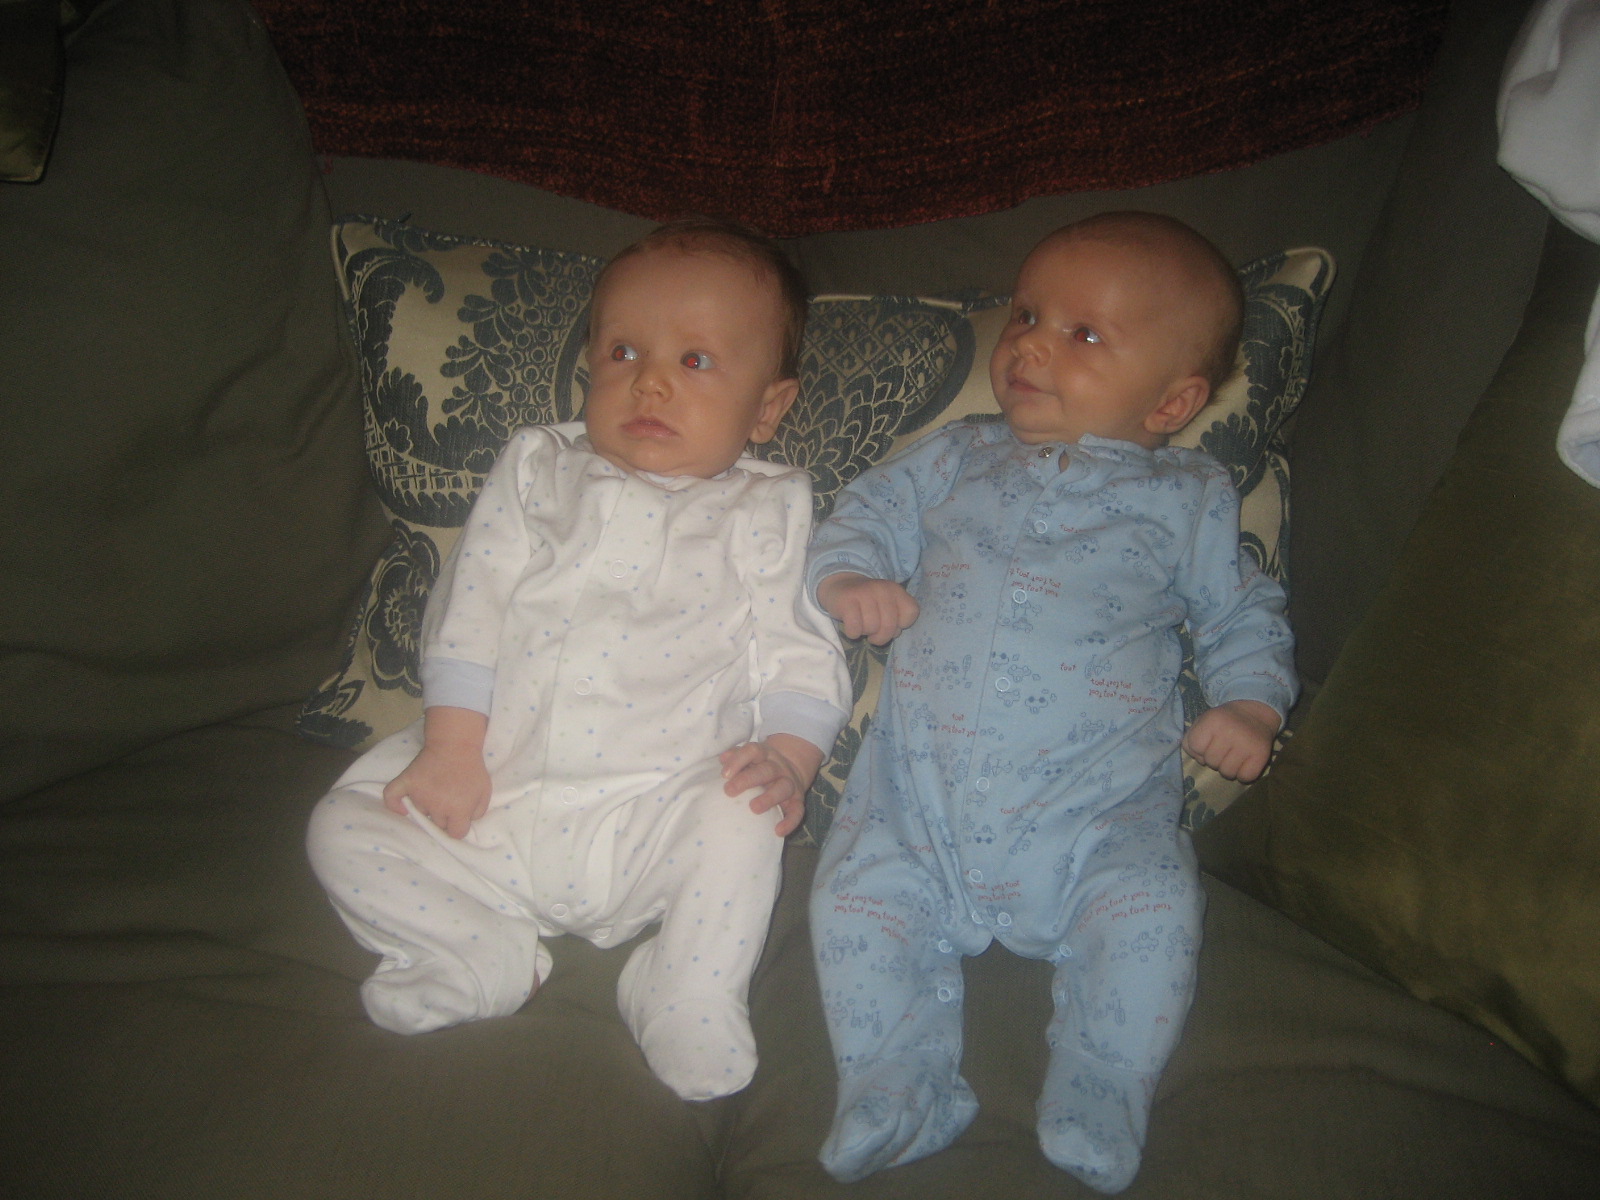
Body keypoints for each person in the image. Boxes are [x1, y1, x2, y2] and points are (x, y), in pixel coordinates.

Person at [805, 211, 1297, 1191]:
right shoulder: (954, 454)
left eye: (1083, 333)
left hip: (1097, 807)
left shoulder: (1187, 497)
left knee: (1153, 906)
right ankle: (895, 1081)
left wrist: (1252, 707)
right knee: (853, 899)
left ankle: (1103, 1077)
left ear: (1173, 400)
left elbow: (1243, 612)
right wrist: (851, 575)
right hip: (918, 800)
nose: (1028, 343)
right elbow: (864, 509)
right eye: (1027, 315)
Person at [307, 218, 851, 1102]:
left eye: (696, 361)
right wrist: (449, 748)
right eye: (623, 351)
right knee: (342, 826)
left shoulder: (768, 509)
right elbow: (470, 606)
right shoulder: (538, 467)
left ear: (767, 409)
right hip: (489, 789)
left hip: (653, 818)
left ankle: (684, 985)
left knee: (747, 814)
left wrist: (789, 762)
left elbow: (802, 655)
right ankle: (474, 950)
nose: (650, 381)